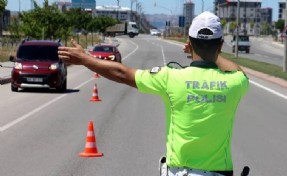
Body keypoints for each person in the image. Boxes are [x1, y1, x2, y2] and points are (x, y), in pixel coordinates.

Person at [58, 11, 249, 176]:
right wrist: (213, 54)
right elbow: (239, 72)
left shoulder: (171, 78)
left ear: (189, 43)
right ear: (221, 45)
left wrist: (86, 59)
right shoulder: (234, 82)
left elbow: (122, 74)